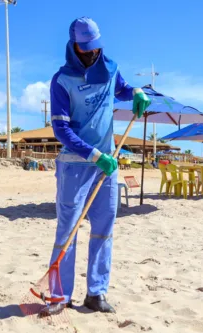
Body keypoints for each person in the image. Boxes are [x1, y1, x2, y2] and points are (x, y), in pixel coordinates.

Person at [49, 17, 151, 313]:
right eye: (87, 50)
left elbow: (122, 89)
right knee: (68, 230)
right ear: (74, 47)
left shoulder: (110, 68)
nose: (93, 54)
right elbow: (62, 131)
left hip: (106, 167)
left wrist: (136, 93)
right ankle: (59, 296)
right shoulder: (61, 81)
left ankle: (96, 292)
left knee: (103, 229)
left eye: (96, 48)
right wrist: (94, 155)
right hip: (75, 165)